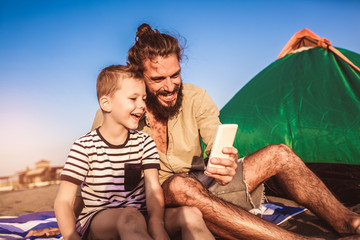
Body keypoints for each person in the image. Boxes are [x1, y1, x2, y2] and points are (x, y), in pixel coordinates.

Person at [92, 23, 360, 240]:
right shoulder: (118, 112)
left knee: (279, 153)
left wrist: (225, 161)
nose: (170, 87)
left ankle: (348, 221)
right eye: (158, 79)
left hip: (204, 186)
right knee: (181, 184)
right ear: (139, 77)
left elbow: (215, 140)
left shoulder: (196, 97)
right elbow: (100, 173)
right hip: (155, 202)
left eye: (175, 75)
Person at [53, 64, 214, 240]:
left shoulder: (144, 142)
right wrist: (70, 236)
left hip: (140, 216)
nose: (142, 105)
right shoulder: (84, 147)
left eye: (144, 99)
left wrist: (156, 223)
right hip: (99, 221)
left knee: (191, 214)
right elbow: (64, 201)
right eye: (133, 98)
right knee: (130, 217)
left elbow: (152, 188)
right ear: (106, 103)